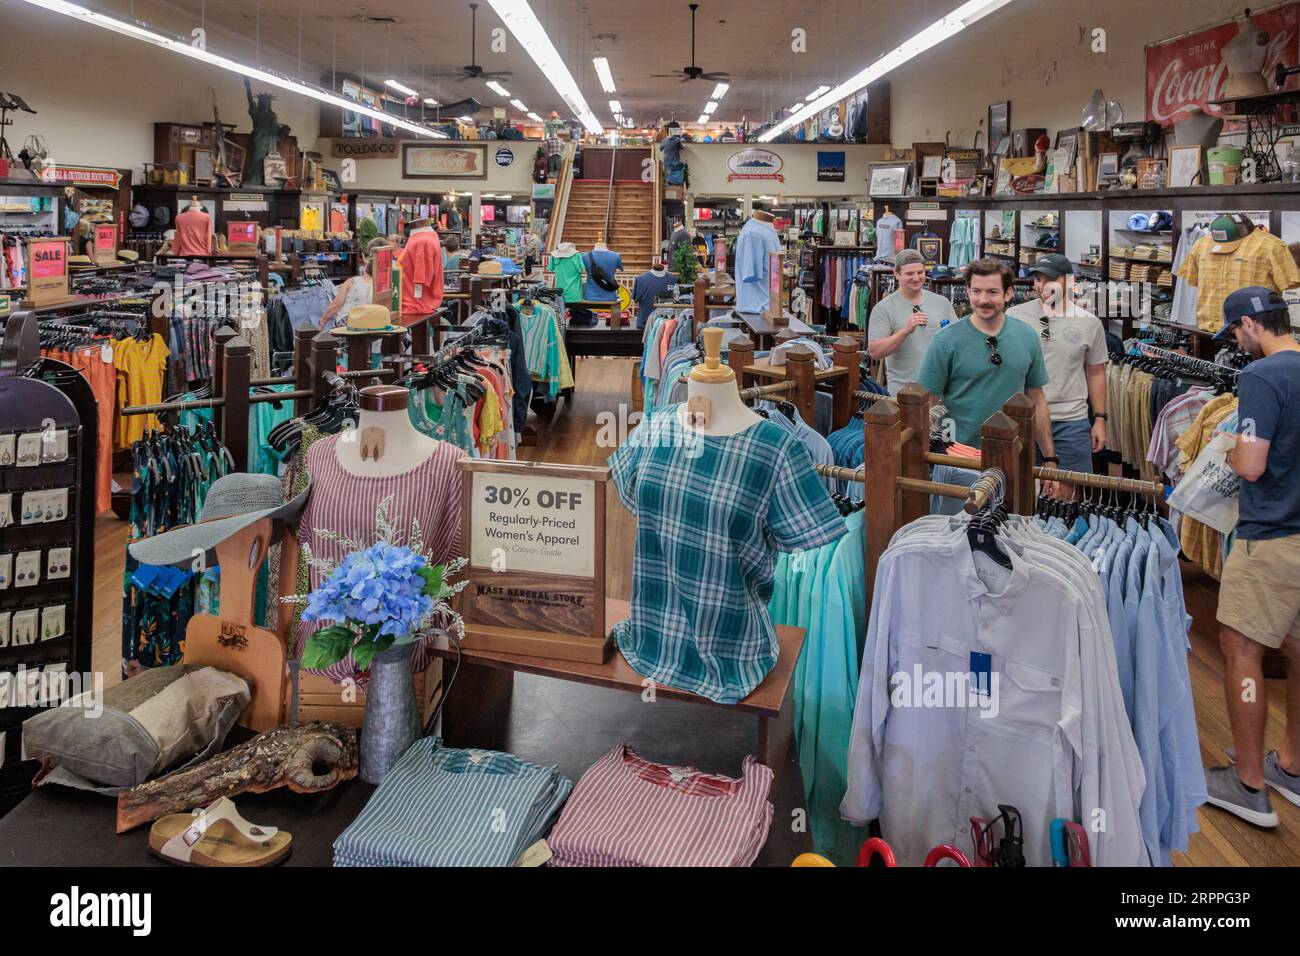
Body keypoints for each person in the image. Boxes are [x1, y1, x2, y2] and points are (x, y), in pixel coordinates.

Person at [1205, 286, 1300, 827]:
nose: (1237, 343)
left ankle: (1247, 782)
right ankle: (1291, 765)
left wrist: (1230, 446)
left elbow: (1251, 466)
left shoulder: (1261, 377)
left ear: (1249, 324)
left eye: (1236, 332)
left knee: (1242, 645)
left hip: (1272, 534)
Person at [917, 259, 1059, 506]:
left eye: (992, 292)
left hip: (1015, 457)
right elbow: (926, 404)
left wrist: (1050, 458)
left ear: (1008, 294)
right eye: (976, 291)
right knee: (955, 536)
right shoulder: (946, 341)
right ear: (968, 291)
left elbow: (1036, 397)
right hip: (957, 460)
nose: (983, 299)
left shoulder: (1026, 336)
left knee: (1011, 530)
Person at [1007, 253, 1109, 475]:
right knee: (1021, 495)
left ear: (1069, 281)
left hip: (1070, 420)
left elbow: (1096, 372)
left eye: (1050, 279)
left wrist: (1100, 418)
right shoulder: (1013, 317)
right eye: (1038, 279)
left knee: (1070, 494)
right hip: (1023, 417)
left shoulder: (1089, 323)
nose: (1043, 285)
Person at [866, 249, 958, 395]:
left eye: (920, 272)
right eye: (909, 274)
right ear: (896, 275)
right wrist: (905, 331)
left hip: (942, 391)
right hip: (904, 393)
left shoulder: (942, 302)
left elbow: (956, 342)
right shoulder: (884, 308)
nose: (916, 278)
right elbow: (875, 352)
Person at [318, 244, 376, 332]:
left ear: (365, 267)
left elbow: (335, 306)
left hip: (348, 324)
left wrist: (322, 322)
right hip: (370, 325)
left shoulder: (353, 281)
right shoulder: (381, 287)